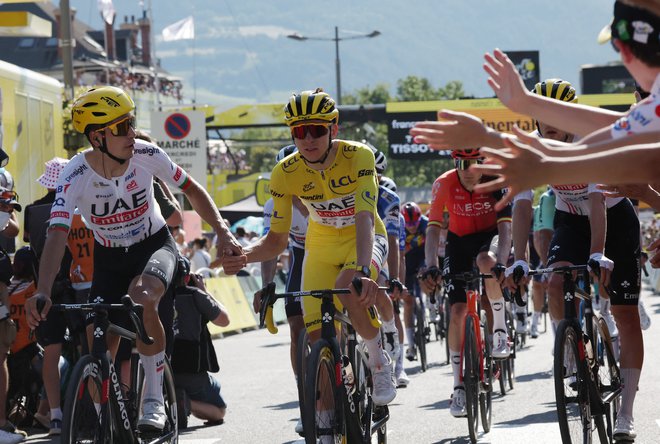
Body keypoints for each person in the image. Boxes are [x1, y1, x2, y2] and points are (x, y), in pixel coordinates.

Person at [24, 85, 242, 433]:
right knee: (99, 335)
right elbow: (56, 235)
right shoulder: (75, 175)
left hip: (153, 245)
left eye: (131, 122)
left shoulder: (146, 154)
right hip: (109, 257)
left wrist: (225, 233)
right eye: (122, 126)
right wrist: (44, 291)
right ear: (97, 137)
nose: (131, 132)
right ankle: (102, 412)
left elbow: (192, 189)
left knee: (143, 297)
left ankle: (153, 400)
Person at [224, 88, 397, 408]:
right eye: (298, 132)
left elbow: (365, 218)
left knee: (348, 288)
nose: (307, 139)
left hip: (362, 239)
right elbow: (276, 240)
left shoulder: (359, 156)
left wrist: (363, 270)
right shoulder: (285, 172)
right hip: (320, 245)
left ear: (333, 129)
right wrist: (245, 255)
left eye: (316, 130)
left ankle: (378, 361)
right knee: (316, 336)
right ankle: (325, 418)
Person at [420, 148, 512, 418]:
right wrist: (430, 265)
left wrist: (502, 262)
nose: (468, 170)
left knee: (486, 261)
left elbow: (506, 227)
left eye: (475, 163)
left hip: (490, 237)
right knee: (458, 311)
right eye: (461, 163)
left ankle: (500, 331)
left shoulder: (496, 179)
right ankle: (458, 385)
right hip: (458, 243)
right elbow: (434, 226)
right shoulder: (444, 183)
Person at [258, 145, 308, 435]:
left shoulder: (321, 191)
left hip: (336, 251)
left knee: (331, 312)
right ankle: (307, 399)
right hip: (303, 255)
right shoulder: (273, 205)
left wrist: (303, 204)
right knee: (296, 324)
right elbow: (269, 250)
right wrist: (267, 287)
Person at [172, 256, 229, 429]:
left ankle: (171, 398)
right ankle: (186, 403)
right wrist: (204, 291)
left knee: (215, 385)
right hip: (193, 372)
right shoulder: (196, 295)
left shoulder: (157, 298)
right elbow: (224, 320)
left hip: (162, 372)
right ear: (188, 277)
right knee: (219, 411)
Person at [400, 202, 428, 362]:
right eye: (408, 223)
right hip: (406, 263)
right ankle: (411, 345)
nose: (411, 227)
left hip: (421, 260)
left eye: (414, 224)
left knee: (426, 277)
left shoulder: (425, 223)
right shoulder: (399, 225)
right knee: (409, 302)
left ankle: (430, 306)